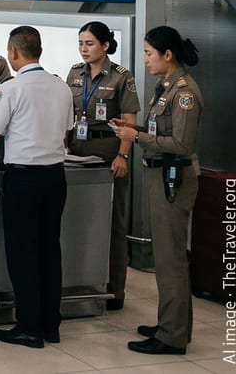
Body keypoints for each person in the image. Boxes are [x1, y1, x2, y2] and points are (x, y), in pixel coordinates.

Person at [0, 26, 75, 349]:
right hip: (55, 177)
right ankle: (50, 324)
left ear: (13, 52)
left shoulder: (11, 88)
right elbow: (66, 132)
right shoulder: (61, 86)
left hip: (23, 179)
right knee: (49, 250)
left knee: (23, 253)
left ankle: (28, 326)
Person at [113, 26, 202, 356]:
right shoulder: (163, 88)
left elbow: (180, 143)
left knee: (170, 260)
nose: (145, 60)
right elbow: (157, 130)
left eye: (149, 53)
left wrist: (135, 138)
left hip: (173, 178)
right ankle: (172, 324)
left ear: (168, 55)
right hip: (160, 176)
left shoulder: (184, 93)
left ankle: (172, 335)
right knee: (167, 258)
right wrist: (131, 128)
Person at [66, 21, 139, 312]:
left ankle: (114, 290)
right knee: (77, 219)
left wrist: (123, 155)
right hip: (77, 149)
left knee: (113, 223)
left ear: (105, 45)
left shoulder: (122, 77)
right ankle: (78, 281)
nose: (84, 49)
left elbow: (130, 122)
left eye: (90, 44)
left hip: (108, 152)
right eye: (81, 43)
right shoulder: (74, 73)